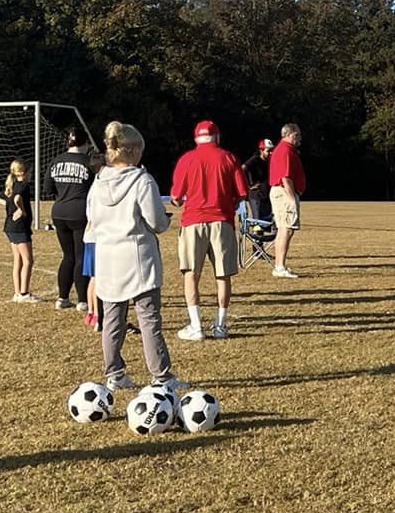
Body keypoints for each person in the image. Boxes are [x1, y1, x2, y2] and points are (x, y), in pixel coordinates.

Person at [84, 120, 186, 394]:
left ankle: (114, 373)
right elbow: (155, 221)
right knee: (149, 319)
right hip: (139, 258)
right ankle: (162, 376)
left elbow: (91, 219)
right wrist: (163, 222)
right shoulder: (142, 180)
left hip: (107, 259)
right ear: (133, 151)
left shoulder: (98, 183)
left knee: (112, 320)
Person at [167, 119, 248, 341]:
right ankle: (220, 325)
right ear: (217, 137)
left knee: (191, 274)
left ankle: (196, 326)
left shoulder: (187, 159)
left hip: (193, 221)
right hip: (222, 221)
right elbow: (242, 192)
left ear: (196, 138)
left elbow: (175, 197)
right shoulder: (229, 158)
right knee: (223, 275)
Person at [44, 127, 97, 311]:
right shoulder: (89, 162)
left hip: (59, 211)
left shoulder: (56, 161)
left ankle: (62, 297)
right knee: (81, 256)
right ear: (85, 143)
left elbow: (48, 189)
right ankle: (83, 300)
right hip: (80, 212)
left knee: (67, 256)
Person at [268, 122, 306, 278]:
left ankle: (279, 265)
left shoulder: (286, 150)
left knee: (285, 229)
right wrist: (292, 198)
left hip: (283, 192)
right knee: (286, 229)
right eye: (297, 135)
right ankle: (279, 267)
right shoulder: (285, 150)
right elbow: (285, 176)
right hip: (284, 192)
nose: (300, 138)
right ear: (290, 134)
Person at [0, 159, 38, 301]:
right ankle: (24, 294)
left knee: (18, 260)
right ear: (24, 172)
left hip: (9, 227)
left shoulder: (11, 185)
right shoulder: (24, 186)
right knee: (28, 261)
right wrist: (21, 210)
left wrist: (8, 206)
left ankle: (17, 293)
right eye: (30, 172)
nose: (31, 175)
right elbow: (17, 199)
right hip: (20, 227)